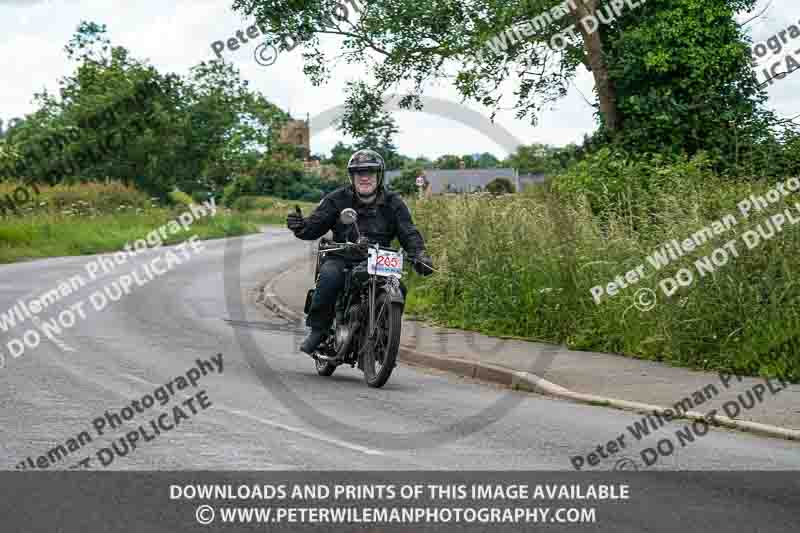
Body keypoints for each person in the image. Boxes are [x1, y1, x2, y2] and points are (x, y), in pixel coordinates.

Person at [286, 148, 434, 355]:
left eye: (370, 172)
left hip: (380, 259)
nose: (364, 177)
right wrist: (300, 226)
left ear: (379, 175)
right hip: (344, 257)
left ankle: (385, 335)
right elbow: (314, 226)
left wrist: (420, 255)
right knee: (329, 276)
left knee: (398, 286)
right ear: (352, 176)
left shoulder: (394, 203)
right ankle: (319, 330)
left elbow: (408, 232)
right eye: (359, 173)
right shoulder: (337, 199)